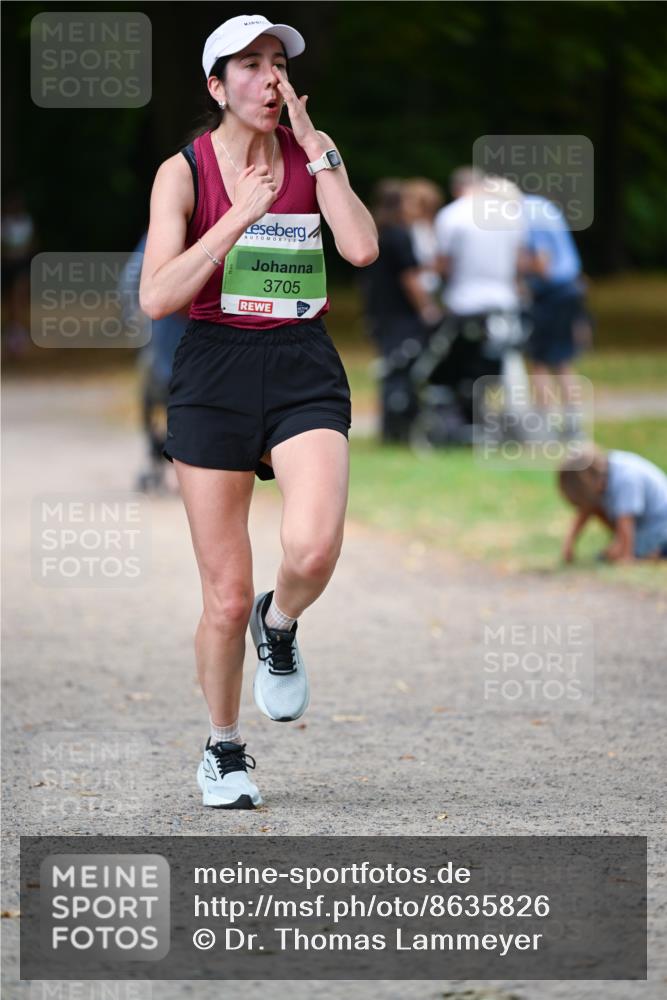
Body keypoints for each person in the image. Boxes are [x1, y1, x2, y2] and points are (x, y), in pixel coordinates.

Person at [139, 14, 377, 810]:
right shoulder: (184, 171)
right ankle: (223, 748)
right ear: (217, 85)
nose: (271, 78)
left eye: (278, 62)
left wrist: (321, 152)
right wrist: (239, 212)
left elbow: (362, 250)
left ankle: (281, 626)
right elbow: (157, 297)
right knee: (224, 595)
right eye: (251, 64)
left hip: (301, 360)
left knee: (310, 552)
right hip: (211, 367)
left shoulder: (315, 151)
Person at [359, 179, 441, 443]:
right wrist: (428, 308)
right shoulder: (399, 234)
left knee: (389, 368)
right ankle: (399, 428)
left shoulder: (375, 231)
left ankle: (389, 426)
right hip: (401, 315)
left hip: (381, 313)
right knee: (403, 369)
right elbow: (410, 278)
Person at [522, 194, 592, 414]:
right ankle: (573, 419)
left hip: (550, 294)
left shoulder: (525, 214)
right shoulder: (544, 206)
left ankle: (544, 419)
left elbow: (542, 264)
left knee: (538, 361)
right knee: (562, 360)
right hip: (571, 288)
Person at [559, 447, 667, 563]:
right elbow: (587, 507)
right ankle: (633, 549)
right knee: (607, 554)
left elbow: (626, 519)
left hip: (660, 528)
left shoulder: (626, 479)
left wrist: (625, 555)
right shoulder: (605, 469)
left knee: (612, 556)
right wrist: (569, 542)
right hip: (643, 528)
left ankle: (653, 553)